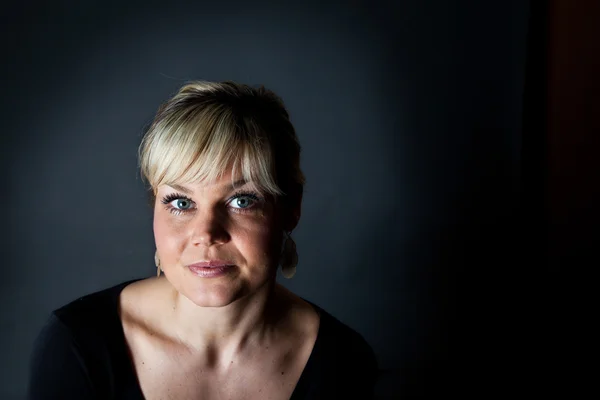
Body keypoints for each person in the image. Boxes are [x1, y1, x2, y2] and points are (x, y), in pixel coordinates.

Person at [27, 81, 379, 399]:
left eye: (242, 200)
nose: (206, 233)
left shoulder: (343, 361)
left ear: (291, 208)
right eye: (181, 202)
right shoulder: (77, 345)